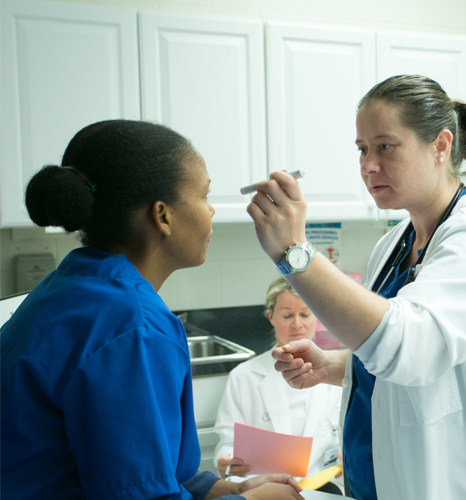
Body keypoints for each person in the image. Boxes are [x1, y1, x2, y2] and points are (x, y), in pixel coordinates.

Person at [246, 75, 466, 499]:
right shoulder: (394, 243)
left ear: (441, 147)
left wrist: (296, 254)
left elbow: (414, 347)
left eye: (385, 146)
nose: (367, 166)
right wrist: (337, 366)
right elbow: (399, 354)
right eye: (362, 149)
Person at [0, 120, 302, 500]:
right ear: (163, 215)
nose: (211, 211)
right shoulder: (133, 328)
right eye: (204, 195)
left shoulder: (66, 288)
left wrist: (226, 488)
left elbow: (139, 473)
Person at [213, 277, 343, 492]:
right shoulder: (243, 376)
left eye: (305, 314)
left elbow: (342, 435)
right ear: (271, 317)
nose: (297, 324)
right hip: (263, 490)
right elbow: (227, 443)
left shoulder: (334, 373)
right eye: (287, 315)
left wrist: (345, 454)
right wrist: (225, 460)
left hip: (320, 487)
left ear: (315, 317)